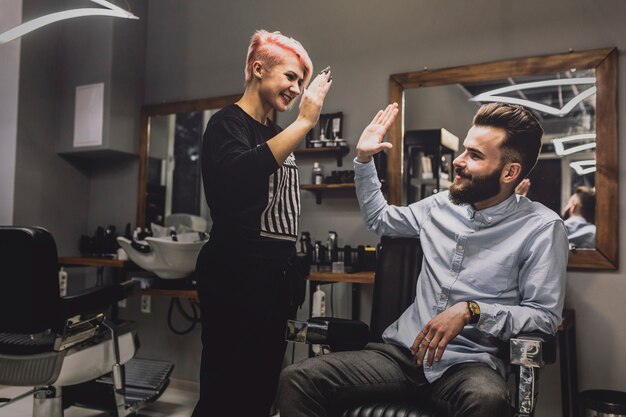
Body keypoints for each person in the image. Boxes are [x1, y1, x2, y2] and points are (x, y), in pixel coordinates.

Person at [277, 102, 568, 417]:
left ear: (510, 172)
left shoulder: (542, 228)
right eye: (464, 150)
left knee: (488, 400)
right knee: (298, 378)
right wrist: (364, 159)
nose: (458, 161)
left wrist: (473, 312)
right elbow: (380, 219)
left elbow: (544, 318)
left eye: (475, 155)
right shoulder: (440, 206)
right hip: (401, 357)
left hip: (468, 365)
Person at [192, 30, 332, 417]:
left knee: (260, 392)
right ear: (258, 68)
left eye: (301, 81)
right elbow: (240, 172)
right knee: (226, 393)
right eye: (290, 76)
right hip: (235, 275)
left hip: (273, 278)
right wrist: (305, 122)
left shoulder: (273, 132)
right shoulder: (226, 123)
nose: (297, 87)